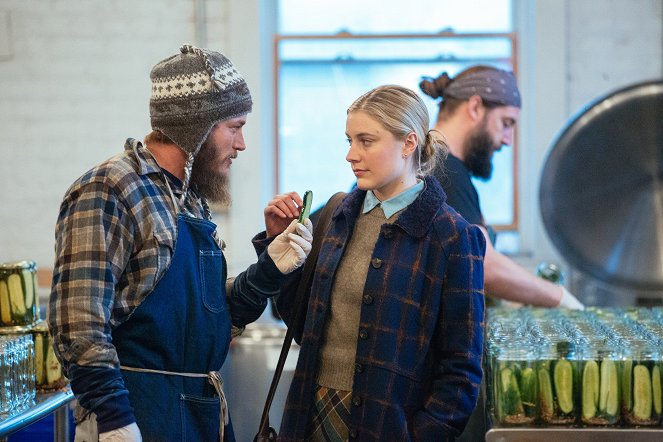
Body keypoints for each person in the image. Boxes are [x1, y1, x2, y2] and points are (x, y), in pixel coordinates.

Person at [48, 44, 313, 442]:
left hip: (200, 411)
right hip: (136, 413)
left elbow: (214, 320)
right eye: (235, 127)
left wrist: (270, 266)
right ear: (198, 127)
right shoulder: (112, 188)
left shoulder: (189, 200)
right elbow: (77, 321)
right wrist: (113, 418)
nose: (241, 144)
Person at [268, 85, 486, 441]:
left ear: (409, 143)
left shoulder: (451, 236)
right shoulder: (335, 216)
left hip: (388, 428)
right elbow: (302, 326)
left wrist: (423, 435)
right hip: (310, 419)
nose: (351, 155)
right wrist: (279, 252)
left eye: (366, 141)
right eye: (349, 140)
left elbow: (461, 369)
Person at [419, 66, 584, 310]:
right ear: (475, 108)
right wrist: (560, 298)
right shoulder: (443, 170)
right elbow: (483, 265)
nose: (507, 139)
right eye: (506, 123)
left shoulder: (433, 163)